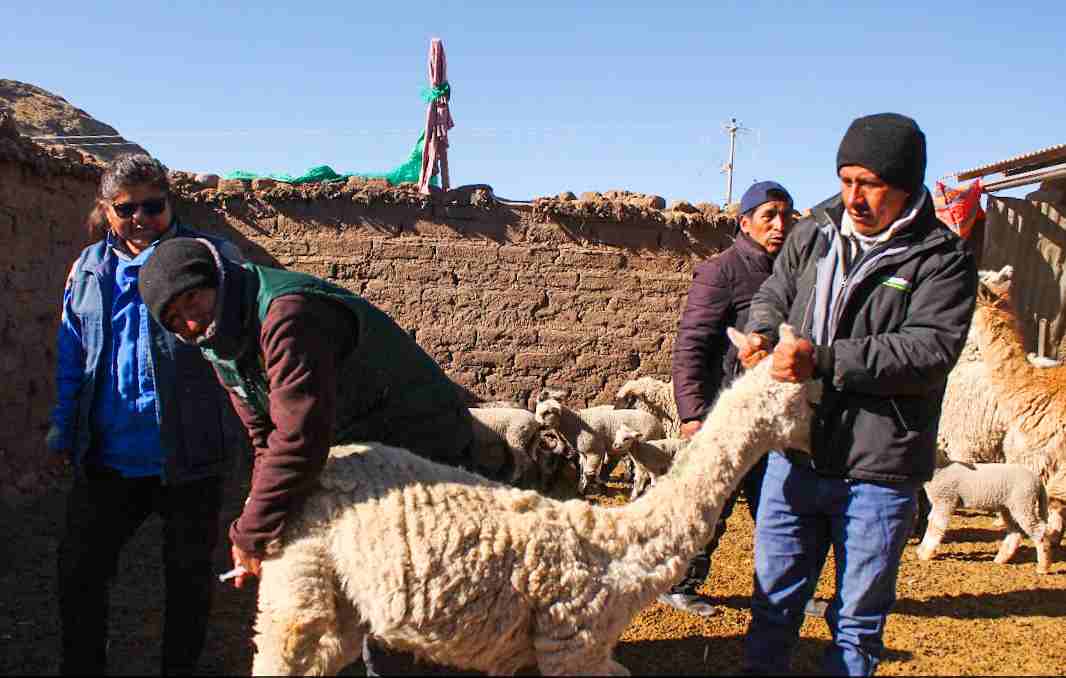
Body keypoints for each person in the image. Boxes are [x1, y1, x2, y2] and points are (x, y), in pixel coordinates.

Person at [136, 236, 476, 676]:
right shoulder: (219, 339)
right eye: (174, 318)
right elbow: (264, 436)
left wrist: (251, 534)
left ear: (216, 280)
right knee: (363, 595)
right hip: (362, 461)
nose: (191, 322)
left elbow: (299, 436)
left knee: (402, 602)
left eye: (193, 299)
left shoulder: (286, 314)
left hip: (421, 447)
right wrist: (260, 522)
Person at [738, 113, 978, 676]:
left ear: (907, 184)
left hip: (879, 467)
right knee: (772, 607)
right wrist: (763, 333)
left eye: (870, 184)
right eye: (846, 180)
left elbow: (929, 350)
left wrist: (823, 358)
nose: (854, 198)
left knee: (856, 623)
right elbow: (775, 291)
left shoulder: (940, 258)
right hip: (795, 457)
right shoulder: (816, 230)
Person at [46, 153, 244, 675]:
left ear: (170, 204)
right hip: (110, 454)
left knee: (187, 577)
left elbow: (245, 346)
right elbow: (73, 354)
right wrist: (64, 429)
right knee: (79, 570)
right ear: (107, 210)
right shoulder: (88, 269)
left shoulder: (208, 259)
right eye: (126, 208)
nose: (140, 219)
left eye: (152, 206)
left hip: (189, 451)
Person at [662, 181, 797, 617]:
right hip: (725, 413)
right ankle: (682, 582)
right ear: (745, 222)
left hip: (773, 418)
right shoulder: (722, 271)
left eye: (785, 216)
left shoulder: (789, 275)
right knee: (710, 500)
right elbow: (691, 345)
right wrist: (692, 414)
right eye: (769, 216)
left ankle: (782, 590)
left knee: (781, 506)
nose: (779, 225)